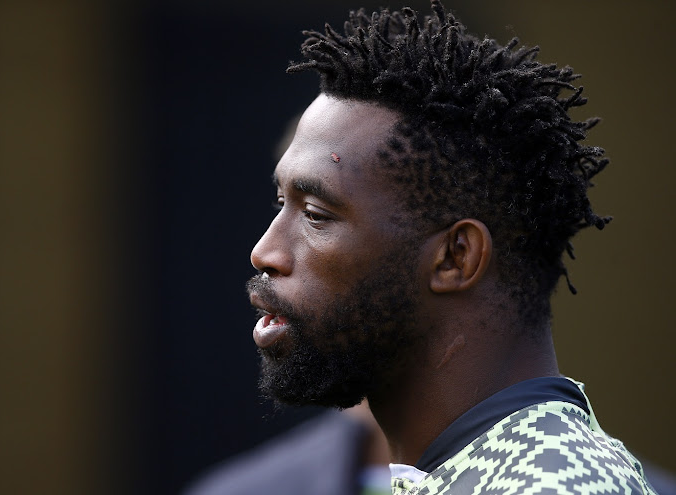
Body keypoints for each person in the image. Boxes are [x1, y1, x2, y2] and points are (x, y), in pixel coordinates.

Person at [246, 1, 658, 493]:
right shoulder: (469, 472)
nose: (265, 252)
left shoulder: (552, 484)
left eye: (315, 214)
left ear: (455, 257)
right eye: (279, 203)